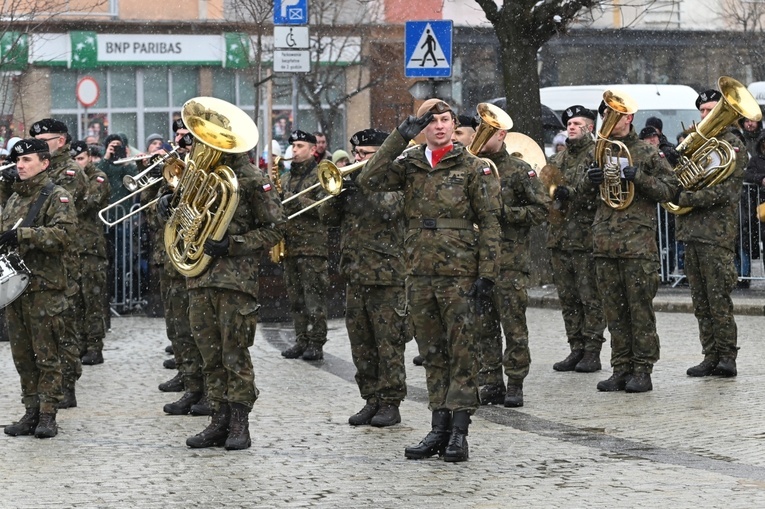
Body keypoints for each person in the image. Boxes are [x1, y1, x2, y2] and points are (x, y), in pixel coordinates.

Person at [359, 98, 502, 462]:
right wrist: (396, 138)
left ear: (454, 126)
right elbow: (368, 178)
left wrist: (487, 274)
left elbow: (489, 223)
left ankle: (459, 432)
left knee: (462, 354)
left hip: (460, 274)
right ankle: (438, 427)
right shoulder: (409, 164)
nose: (439, 126)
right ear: (421, 127)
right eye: (432, 121)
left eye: (446, 120)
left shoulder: (473, 167)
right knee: (433, 354)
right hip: (419, 272)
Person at [160, 110, 285, 450]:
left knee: (234, 353)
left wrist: (233, 244)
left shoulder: (250, 178)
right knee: (208, 354)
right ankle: (218, 419)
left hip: (235, 281)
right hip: (198, 278)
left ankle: (240, 423)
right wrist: (171, 209)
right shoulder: (199, 175)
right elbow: (187, 217)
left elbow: (276, 229)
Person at [579, 91, 678, 393]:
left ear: (629, 117)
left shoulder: (648, 153)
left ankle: (642, 370)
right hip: (605, 243)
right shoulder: (597, 151)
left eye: (616, 115)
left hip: (637, 245)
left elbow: (670, 189)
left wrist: (640, 179)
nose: (611, 121)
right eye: (606, 115)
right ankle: (620, 368)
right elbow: (580, 197)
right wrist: (588, 181)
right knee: (614, 310)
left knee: (639, 311)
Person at [320, 128, 409, 427]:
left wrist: (364, 186)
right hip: (355, 274)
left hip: (387, 276)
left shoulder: (397, 179)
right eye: (357, 155)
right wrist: (337, 194)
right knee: (361, 343)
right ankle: (371, 398)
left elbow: (391, 209)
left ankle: (390, 401)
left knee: (388, 343)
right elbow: (327, 218)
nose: (359, 160)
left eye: (366, 155)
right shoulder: (352, 183)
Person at [668, 89, 750, 378]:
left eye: (712, 110)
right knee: (700, 301)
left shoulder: (732, 144)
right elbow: (676, 177)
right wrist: (671, 157)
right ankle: (710, 354)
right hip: (690, 231)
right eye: (703, 111)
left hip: (716, 234)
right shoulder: (696, 143)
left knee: (718, 300)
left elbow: (727, 192)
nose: (706, 116)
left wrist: (686, 197)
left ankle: (727, 355)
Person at [2, 138, 77, 438]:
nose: (20, 166)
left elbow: (64, 235)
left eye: (27, 160)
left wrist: (24, 235)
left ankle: (48, 414)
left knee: (47, 355)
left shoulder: (57, 196)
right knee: (23, 354)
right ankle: (30, 411)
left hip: (45, 287)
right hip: (15, 289)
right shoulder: (13, 198)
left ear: (44, 163)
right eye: (18, 161)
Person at [474, 113, 549, 408]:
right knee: (483, 326)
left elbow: (542, 210)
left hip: (509, 261)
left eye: (487, 130)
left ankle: (515, 382)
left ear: (501, 135)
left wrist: (508, 214)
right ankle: (490, 381)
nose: (481, 134)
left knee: (513, 325)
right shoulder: (472, 167)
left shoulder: (519, 170)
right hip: (478, 260)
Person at [28, 119, 89, 409]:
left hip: (63, 261)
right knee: (40, 329)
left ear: (61, 141)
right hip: (38, 262)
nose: (41, 144)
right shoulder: (40, 170)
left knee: (64, 326)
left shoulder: (69, 173)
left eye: (46, 139)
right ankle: (45, 388)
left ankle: (67, 384)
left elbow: (48, 211)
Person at [547, 105, 607, 374]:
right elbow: (545, 192)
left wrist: (569, 193)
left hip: (586, 237)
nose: (571, 127)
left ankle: (592, 351)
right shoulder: (558, 160)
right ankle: (576, 347)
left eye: (577, 123)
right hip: (560, 238)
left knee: (590, 298)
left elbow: (596, 194)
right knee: (568, 298)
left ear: (590, 127)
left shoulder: (598, 155)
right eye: (568, 124)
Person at [279, 130, 330, 361]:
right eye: (293, 146)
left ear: (312, 149)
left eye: (300, 146)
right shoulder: (285, 178)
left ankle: (316, 342)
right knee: (295, 298)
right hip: (290, 246)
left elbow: (324, 209)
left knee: (314, 298)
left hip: (312, 248)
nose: (295, 150)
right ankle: (301, 339)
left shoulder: (321, 174)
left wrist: (294, 198)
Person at [71, 141, 110, 365]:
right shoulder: (69, 178)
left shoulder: (98, 176)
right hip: (72, 248)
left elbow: (86, 203)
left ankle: (95, 346)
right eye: (74, 160)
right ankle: (80, 344)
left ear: (89, 158)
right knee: (75, 300)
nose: (77, 164)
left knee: (92, 299)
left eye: (81, 159)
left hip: (91, 249)